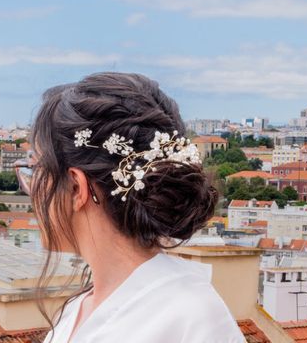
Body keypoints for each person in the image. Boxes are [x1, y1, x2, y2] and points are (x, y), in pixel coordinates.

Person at [22, 72, 245, 343]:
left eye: (35, 171)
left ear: (76, 188)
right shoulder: (78, 310)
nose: (31, 190)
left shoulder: (190, 317)